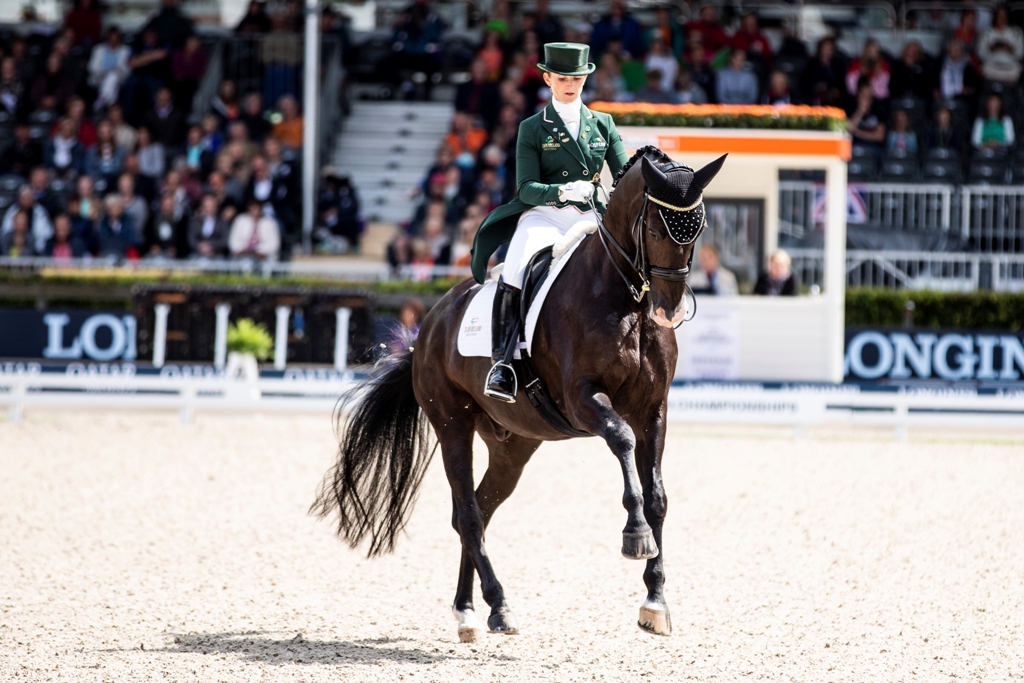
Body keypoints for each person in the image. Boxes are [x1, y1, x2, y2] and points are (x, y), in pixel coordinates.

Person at [471, 42, 628, 402]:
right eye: (562, 78)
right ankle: (503, 364)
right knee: (515, 266)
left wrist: (607, 193)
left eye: (577, 78)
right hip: (544, 215)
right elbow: (526, 189)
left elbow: (623, 176)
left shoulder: (603, 123)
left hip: (590, 215)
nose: (570, 85)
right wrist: (560, 192)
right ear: (547, 79)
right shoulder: (532, 127)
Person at [977, 4, 1023, 85]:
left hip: (1010, 68)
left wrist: (1010, 49)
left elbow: (1020, 54)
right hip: (992, 67)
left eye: (1004, 15)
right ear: (995, 16)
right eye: (999, 15)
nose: (1002, 18)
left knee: (1017, 70)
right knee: (985, 69)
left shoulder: (1016, 32)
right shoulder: (987, 32)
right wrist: (991, 48)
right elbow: (981, 54)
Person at [88, 27, 132, 111]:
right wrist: (102, 74)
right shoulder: (98, 49)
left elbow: (127, 69)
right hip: (100, 77)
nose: (113, 41)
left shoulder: (125, 50)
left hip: (118, 77)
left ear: (119, 39)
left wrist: (118, 71)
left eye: (115, 39)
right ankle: (111, 107)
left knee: (113, 76)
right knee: (112, 82)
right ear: (108, 38)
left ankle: (102, 99)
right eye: (111, 39)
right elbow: (92, 67)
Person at [847, 80, 887, 163]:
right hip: (854, 145)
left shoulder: (878, 109)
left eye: (869, 96)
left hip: (873, 147)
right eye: (864, 96)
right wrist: (860, 111)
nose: (867, 99)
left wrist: (858, 133)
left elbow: (879, 136)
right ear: (858, 96)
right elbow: (848, 130)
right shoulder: (850, 108)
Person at [801, 37, 845, 107]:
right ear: (820, 49)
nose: (827, 52)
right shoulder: (811, 64)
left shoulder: (838, 65)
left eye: (829, 49)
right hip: (813, 97)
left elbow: (841, 85)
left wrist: (833, 91)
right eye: (825, 49)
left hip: (832, 98)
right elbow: (804, 84)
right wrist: (816, 87)